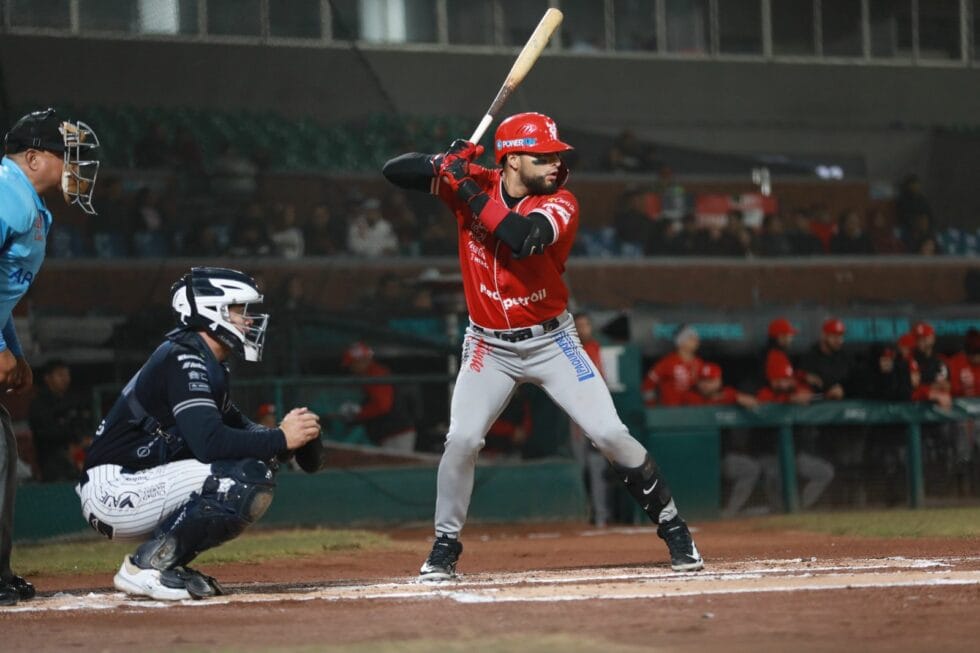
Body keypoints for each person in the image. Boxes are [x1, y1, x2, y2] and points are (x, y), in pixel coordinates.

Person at [382, 112, 703, 580]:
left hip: (552, 341)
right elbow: (394, 171)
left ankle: (674, 528)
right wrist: (442, 161)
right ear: (511, 160)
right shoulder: (477, 179)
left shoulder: (561, 203)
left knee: (610, 434)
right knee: (462, 440)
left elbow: (521, 238)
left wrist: (464, 188)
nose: (556, 163)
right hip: (488, 345)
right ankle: (445, 546)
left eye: (556, 155)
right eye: (544, 156)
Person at [76, 267, 323, 601]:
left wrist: (292, 436)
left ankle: (167, 561)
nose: (249, 320)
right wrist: (279, 439)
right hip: (116, 488)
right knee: (241, 479)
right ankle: (146, 566)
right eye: (239, 310)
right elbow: (209, 444)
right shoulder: (183, 357)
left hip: (137, 481)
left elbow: (242, 431)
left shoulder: (206, 362)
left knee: (253, 470)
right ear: (211, 310)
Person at [1, 107, 100, 606]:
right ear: (34, 157)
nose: (75, 168)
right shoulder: (4, 190)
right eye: (68, 158)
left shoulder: (29, 205)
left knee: (2, 454)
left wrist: (13, 350)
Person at [337, 342, 418, 453]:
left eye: (352, 364)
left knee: (396, 468)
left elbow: (382, 406)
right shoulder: (370, 375)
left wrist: (359, 413)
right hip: (391, 432)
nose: (351, 368)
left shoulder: (376, 374)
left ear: (361, 361)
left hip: (397, 433)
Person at [28, 359, 89, 482]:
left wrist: (81, 441)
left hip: (77, 457)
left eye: (67, 375)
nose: (65, 379)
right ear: (48, 378)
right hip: (51, 462)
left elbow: (82, 426)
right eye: (60, 375)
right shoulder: (39, 404)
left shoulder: (73, 401)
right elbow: (45, 433)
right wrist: (68, 443)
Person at [641, 325, 703, 407]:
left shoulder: (699, 363)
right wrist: (651, 406)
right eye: (691, 338)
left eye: (696, 338)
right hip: (671, 413)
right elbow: (648, 384)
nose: (696, 340)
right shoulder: (667, 363)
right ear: (681, 342)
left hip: (694, 411)